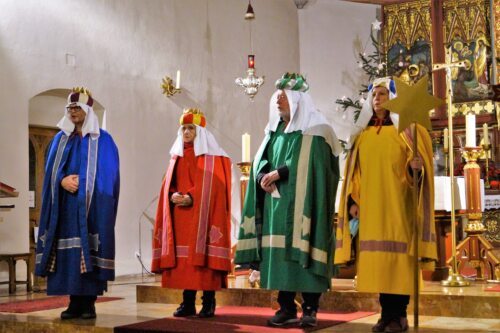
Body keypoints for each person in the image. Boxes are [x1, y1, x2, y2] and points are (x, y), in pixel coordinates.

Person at [235, 73, 341, 328]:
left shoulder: (318, 131)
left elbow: (315, 166)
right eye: (277, 97)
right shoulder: (275, 131)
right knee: (280, 258)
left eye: (284, 97)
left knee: (304, 257)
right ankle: (285, 307)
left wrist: (279, 173)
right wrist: (261, 175)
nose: (278, 101)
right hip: (277, 206)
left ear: (298, 101)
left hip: (305, 206)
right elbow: (263, 159)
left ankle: (310, 309)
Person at [334, 77, 436, 333]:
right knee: (380, 265)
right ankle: (385, 313)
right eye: (374, 94)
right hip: (372, 208)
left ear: (395, 98)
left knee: (397, 265)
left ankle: (399, 315)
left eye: (382, 94)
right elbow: (355, 172)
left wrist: (415, 170)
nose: (377, 99)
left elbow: (421, 177)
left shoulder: (411, 131)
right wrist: (354, 201)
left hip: (399, 206)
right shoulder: (362, 134)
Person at [35, 87, 120, 319]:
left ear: (87, 111)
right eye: (70, 108)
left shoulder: (103, 140)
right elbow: (50, 171)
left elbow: (109, 174)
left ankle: (89, 303)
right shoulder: (60, 139)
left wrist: (83, 182)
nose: (72, 111)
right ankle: (74, 303)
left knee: (89, 252)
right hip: (66, 208)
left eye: (77, 107)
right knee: (69, 258)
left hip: (92, 208)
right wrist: (62, 181)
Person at [151, 108, 232, 318]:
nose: (186, 132)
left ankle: (208, 302)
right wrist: (173, 194)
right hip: (180, 217)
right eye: (184, 128)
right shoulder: (175, 157)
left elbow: (217, 186)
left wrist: (192, 197)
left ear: (200, 131)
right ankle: (187, 303)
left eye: (190, 128)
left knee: (203, 261)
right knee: (185, 263)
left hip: (204, 215)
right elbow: (167, 184)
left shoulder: (215, 157)